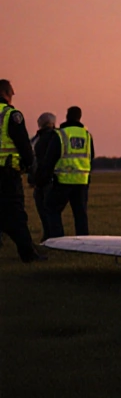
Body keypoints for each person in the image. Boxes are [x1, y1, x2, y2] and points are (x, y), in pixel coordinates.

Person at [0, 79, 44, 262]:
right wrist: (29, 165)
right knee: (16, 215)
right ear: (7, 93)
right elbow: (24, 146)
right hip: (6, 174)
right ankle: (28, 254)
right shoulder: (11, 115)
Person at [36, 106, 94, 238]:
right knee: (80, 214)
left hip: (63, 180)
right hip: (81, 180)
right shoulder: (87, 135)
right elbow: (91, 157)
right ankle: (84, 241)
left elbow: (50, 158)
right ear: (80, 117)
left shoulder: (61, 134)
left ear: (67, 116)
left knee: (51, 209)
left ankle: (57, 239)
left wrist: (42, 178)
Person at [30, 112, 57, 241]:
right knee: (48, 211)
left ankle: (50, 236)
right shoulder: (54, 137)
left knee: (44, 211)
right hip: (47, 179)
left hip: (40, 180)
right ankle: (51, 236)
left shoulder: (35, 140)